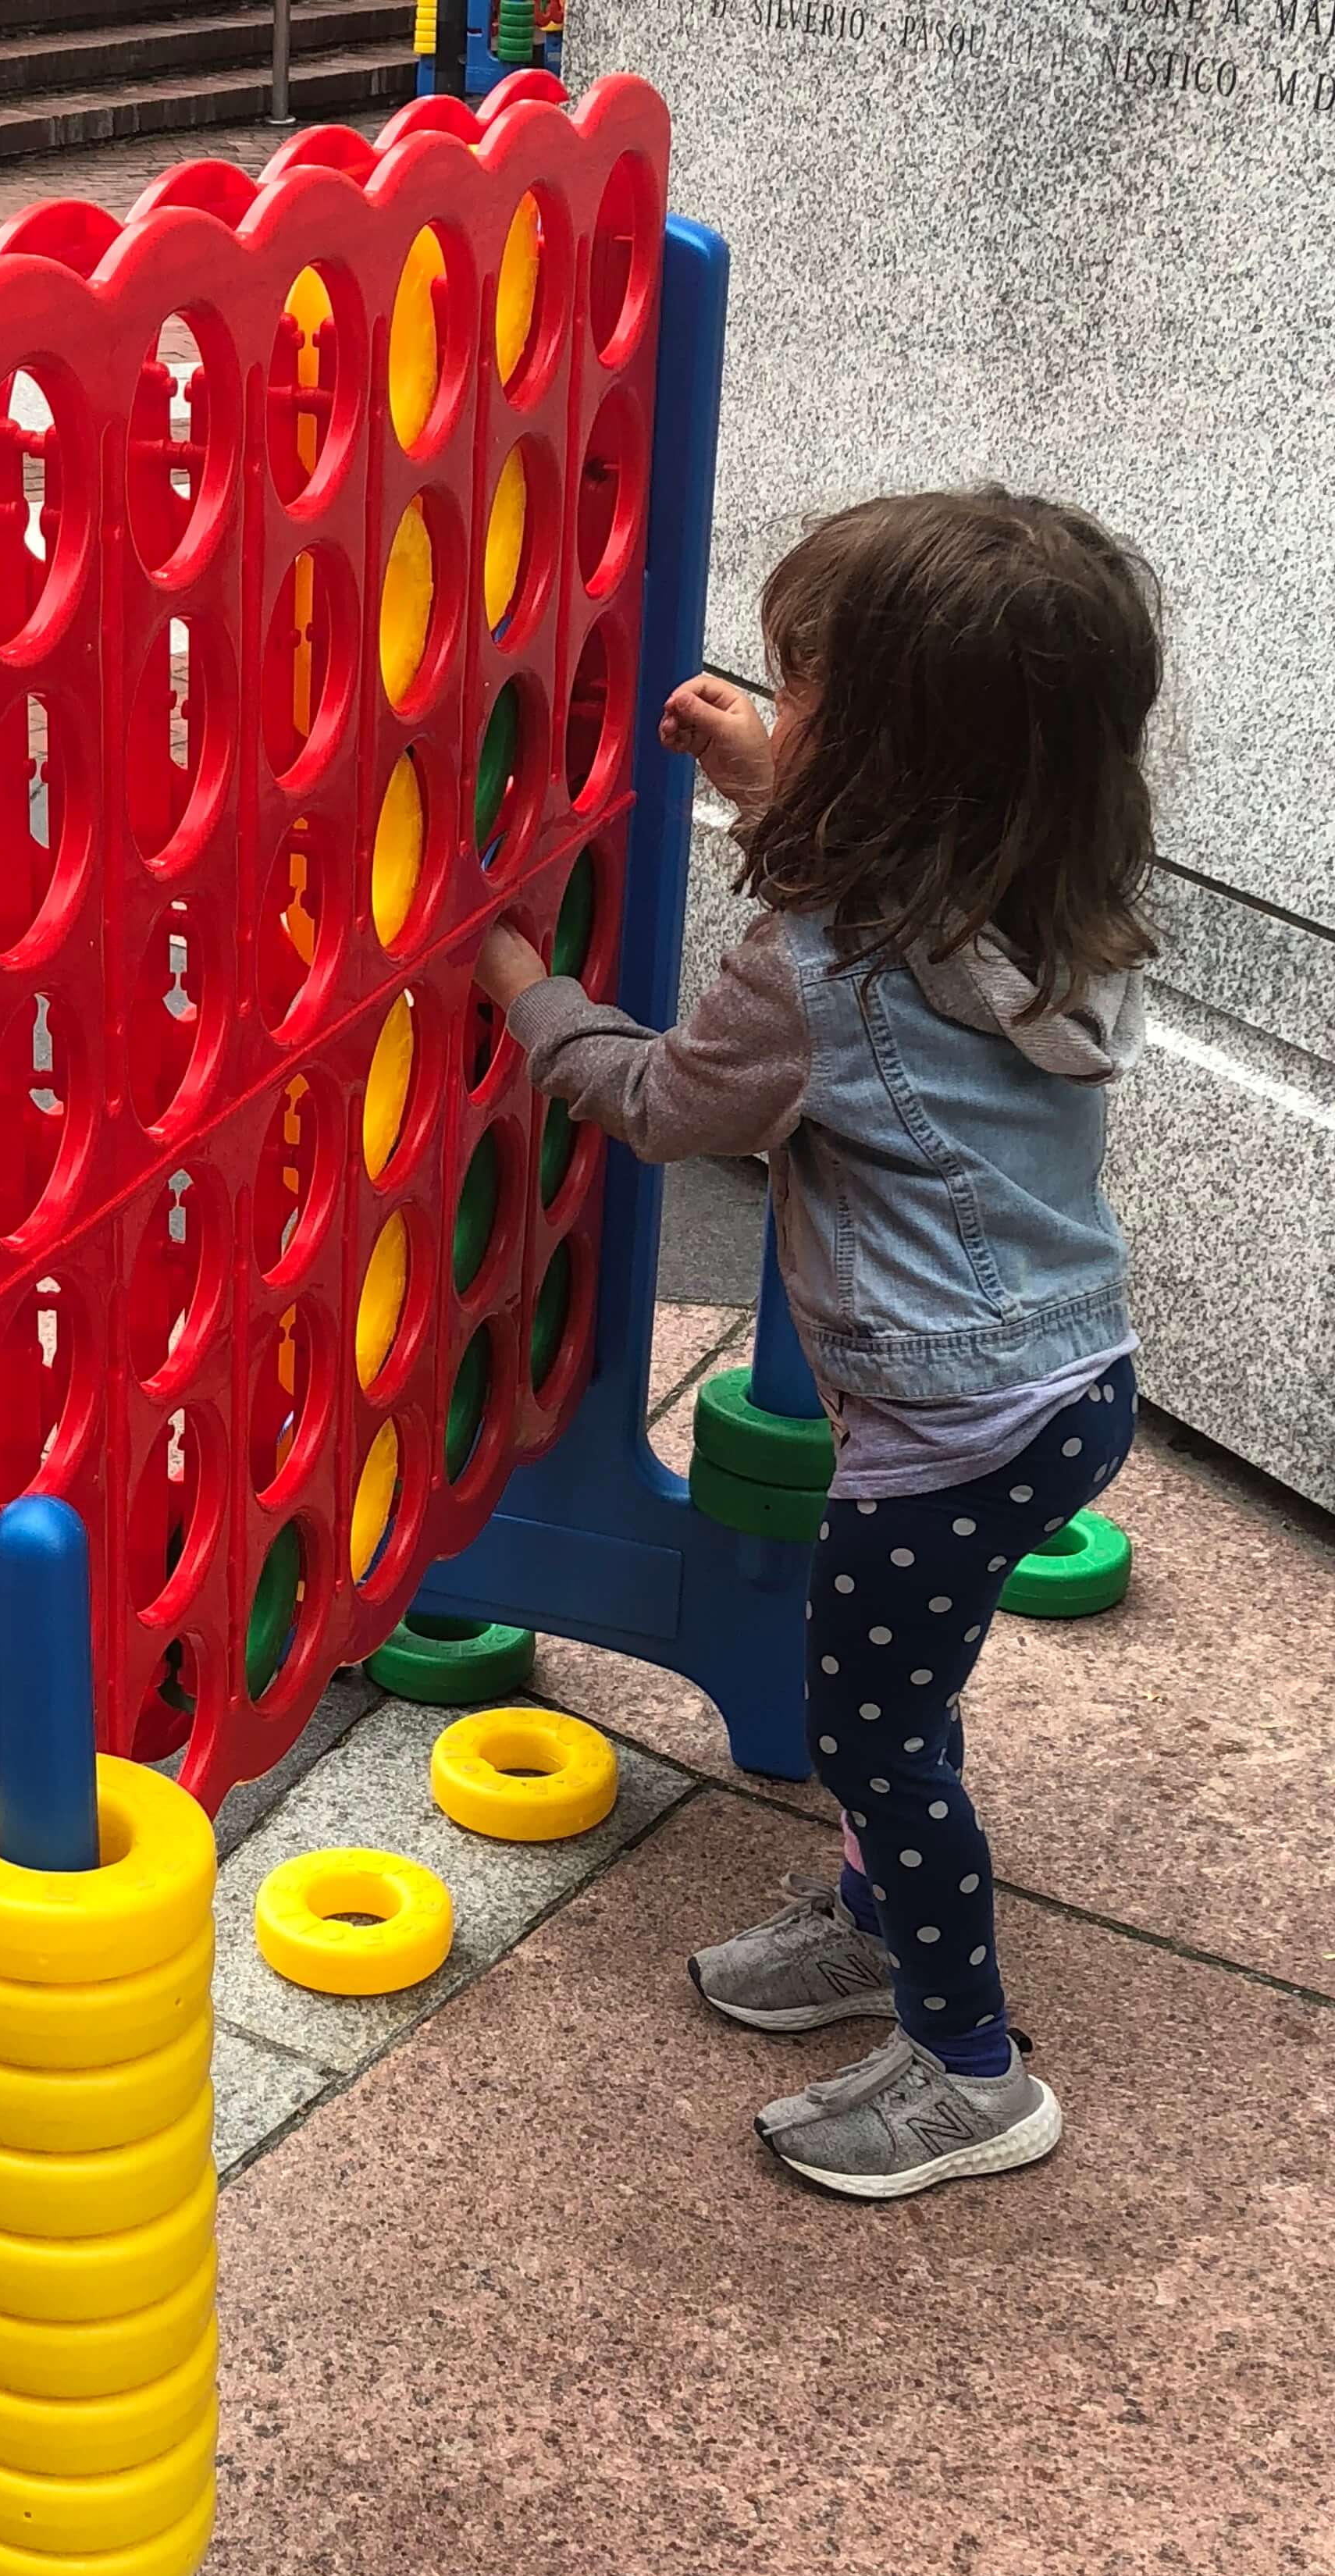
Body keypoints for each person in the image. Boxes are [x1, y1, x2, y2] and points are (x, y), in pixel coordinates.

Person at [478, 486, 1161, 2200]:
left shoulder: (810, 974)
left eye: (810, 695)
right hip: (1066, 1384)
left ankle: (969, 2069)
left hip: (940, 1433)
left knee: (871, 1737)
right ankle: (872, 1915)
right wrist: (767, 774)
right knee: (902, 1705)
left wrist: (518, 985)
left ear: (890, 765)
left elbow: (652, 1099)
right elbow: (913, 877)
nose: (780, 710)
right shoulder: (1057, 895)